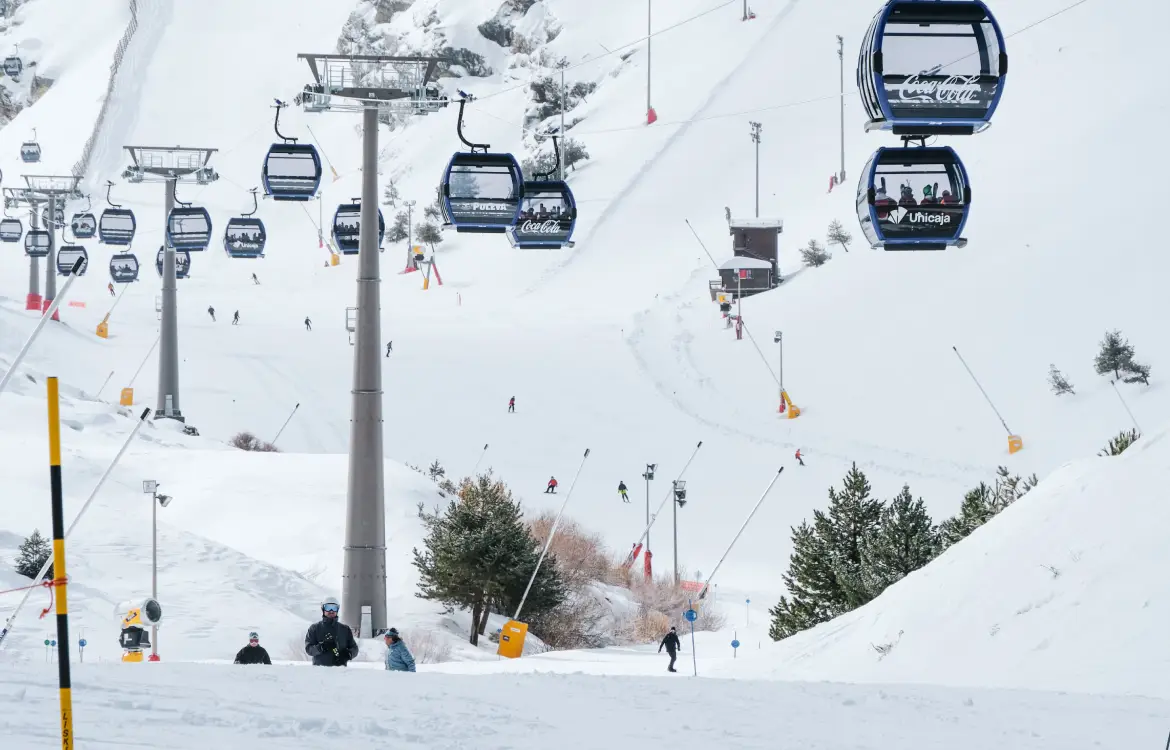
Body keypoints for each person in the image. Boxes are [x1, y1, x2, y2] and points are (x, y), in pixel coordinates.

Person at [305, 597, 359, 667]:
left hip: (340, 671)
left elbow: (354, 648)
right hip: (319, 671)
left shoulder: (345, 629)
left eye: (334, 608)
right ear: (323, 609)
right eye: (328, 607)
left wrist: (348, 654)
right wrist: (321, 647)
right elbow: (309, 649)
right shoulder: (315, 628)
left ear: (337, 610)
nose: (331, 611)